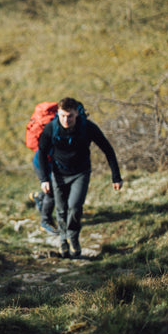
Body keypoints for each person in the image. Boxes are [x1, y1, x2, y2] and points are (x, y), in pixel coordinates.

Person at [36, 97, 122, 259]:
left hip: (80, 173)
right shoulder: (51, 128)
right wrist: (44, 179)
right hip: (59, 174)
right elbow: (41, 152)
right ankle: (63, 241)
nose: (66, 120)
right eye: (62, 116)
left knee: (74, 208)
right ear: (58, 114)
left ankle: (74, 239)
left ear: (76, 114)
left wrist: (116, 177)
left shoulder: (87, 128)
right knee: (61, 210)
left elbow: (107, 149)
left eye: (69, 116)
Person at [31, 150, 57, 234]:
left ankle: (40, 196)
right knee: (51, 191)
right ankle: (45, 222)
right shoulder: (50, 138)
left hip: (54, 162)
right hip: (42, 162)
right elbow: (31, 141)